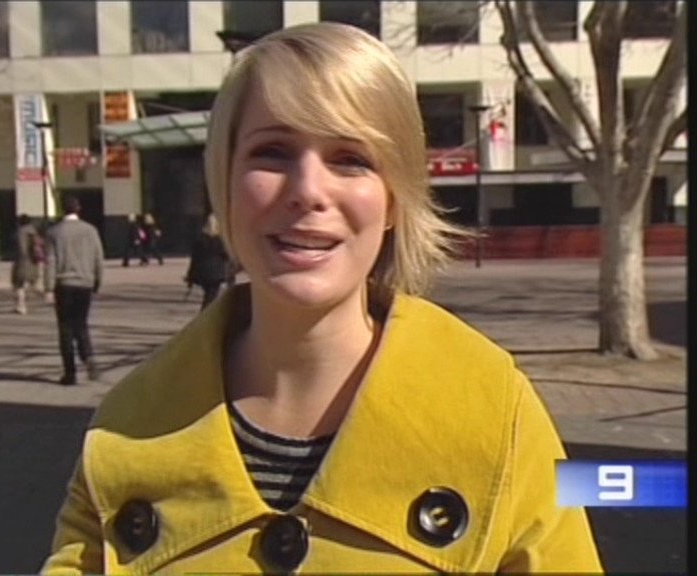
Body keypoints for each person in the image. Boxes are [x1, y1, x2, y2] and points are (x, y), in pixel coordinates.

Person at [43, 23, 602, 573]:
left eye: (351, 159)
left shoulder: (498, 413)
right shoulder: (126, 430)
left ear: (394, 199)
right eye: (273, 152)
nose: (308, 190)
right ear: (225, 181)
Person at [44, 195, 104, 386]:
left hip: (64, 284)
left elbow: (51, 261)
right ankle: (88, 356)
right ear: (78, 209)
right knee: (81, 324)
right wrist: (97, 281)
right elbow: (98, 258)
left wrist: (48, 288)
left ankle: (70, 373)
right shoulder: (91, 230)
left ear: (62, 209)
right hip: (85, 283)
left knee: (65, 328)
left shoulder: (54, 232)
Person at [185, 213, 230, 309]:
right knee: (211, 296)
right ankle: (205, 313)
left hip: (203, 273)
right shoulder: (220, 240)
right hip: (216, 274)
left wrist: (190, 275)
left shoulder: (199, 239)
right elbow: (226, 256)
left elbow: (194, 258)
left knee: (209, 295)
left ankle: (206, 312)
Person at [10, 213, 42, 314]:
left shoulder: (20, 232)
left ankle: (21, 306)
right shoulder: (34, 232)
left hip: (22, 261)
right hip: (33, 261)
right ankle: (37, 293)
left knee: (18, 284)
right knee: (30, 282)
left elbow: (21, 248)